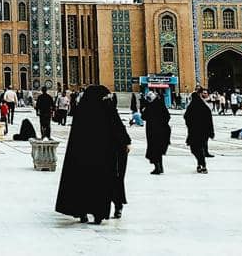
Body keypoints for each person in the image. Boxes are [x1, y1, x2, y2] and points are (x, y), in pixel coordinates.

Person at [54, 85, 130, 224]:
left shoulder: (82, 113)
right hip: (102, 160)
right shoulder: (106, 111)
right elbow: (117, 127)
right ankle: (98, 213)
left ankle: (82, 211)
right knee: (100, 185)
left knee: (82, 183)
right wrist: (125, 142)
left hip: (82, 160)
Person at [184, 89, 213, 173]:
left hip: (194, 132)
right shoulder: (204, 107)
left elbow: (186, 117)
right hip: (203, 132)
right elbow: (209, 120)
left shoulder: (191, 107)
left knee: (195, 149)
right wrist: (210, 131)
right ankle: (201, 164)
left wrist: (190, 124)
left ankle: (201, 164)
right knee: (200, 148)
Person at [142, 90, 170, 175]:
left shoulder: (149, 106)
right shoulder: (160, 105)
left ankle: (157, 167)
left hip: (152, 131)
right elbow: (167, 116)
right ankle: (160, 167)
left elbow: (144, 117)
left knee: (154, 150)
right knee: (158, 150)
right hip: (162, 131)